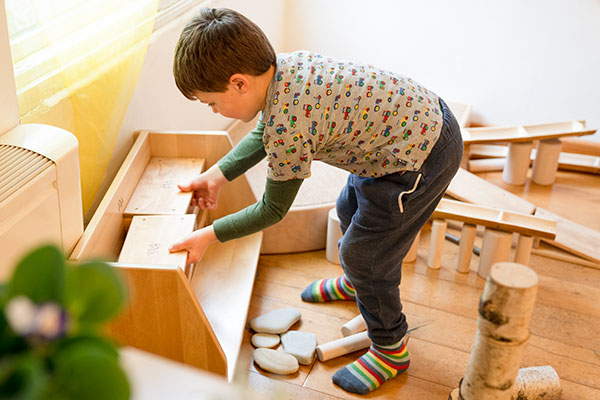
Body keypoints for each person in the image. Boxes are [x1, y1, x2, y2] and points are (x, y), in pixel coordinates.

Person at [169, 7, 463, 395]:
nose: (213, 112)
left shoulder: (290, 127)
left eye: (211, 103)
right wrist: (218, 174)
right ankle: (360, 285)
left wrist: (209, 236)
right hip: (392, 141)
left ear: (239, 83)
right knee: (347, 211)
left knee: (366, 255)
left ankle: (391, 347)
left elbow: (272, 209)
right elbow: (265, 132)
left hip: (419, 158)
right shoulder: (281, 67)